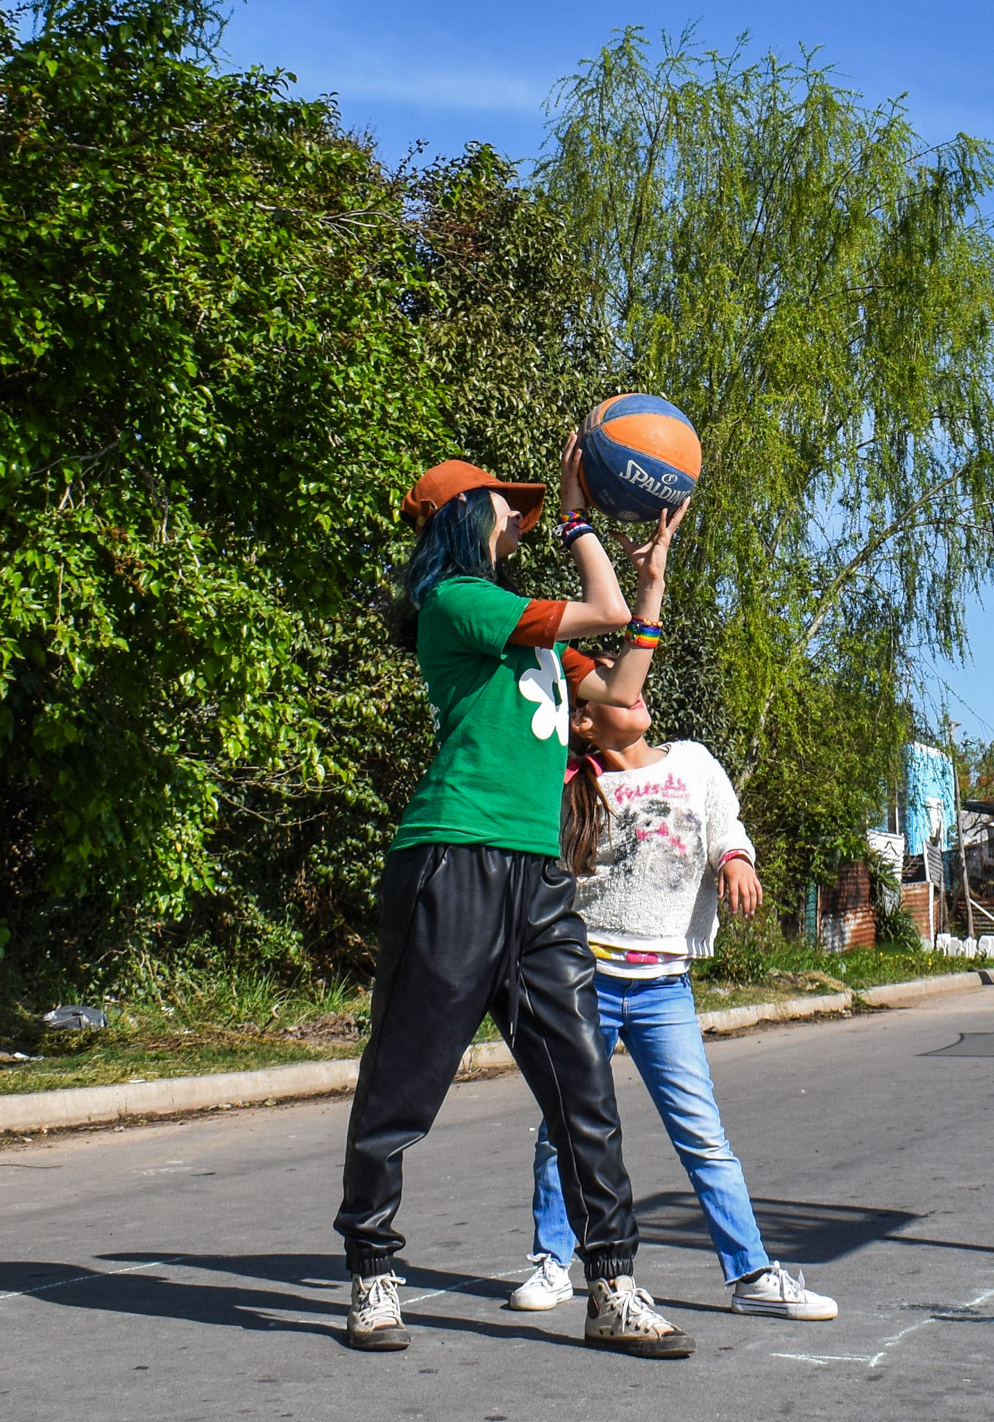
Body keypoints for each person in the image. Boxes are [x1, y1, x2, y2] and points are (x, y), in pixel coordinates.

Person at [333, 446, 690, 1359]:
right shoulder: (459, 605)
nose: (520, 519)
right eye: (509, 506)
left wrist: (650, 589)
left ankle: (611, 1285)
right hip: (451, 864)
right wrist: (579, 521)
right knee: (403, 1085)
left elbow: (619, 701)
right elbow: (595, 608)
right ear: (465, 515)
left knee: (582, 1087)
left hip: (537, 880)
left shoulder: (529, 637)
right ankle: (373, 1271)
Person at [503, 550, 840, 1325]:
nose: (636, 695)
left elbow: (727, 827)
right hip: (586, 982)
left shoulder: (692, 762)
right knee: (564, 1131)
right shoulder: (575, 783)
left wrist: (737, 859)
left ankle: (750, 1274)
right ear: (583, 718)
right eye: (613, 694)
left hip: (663, 987)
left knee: (703, 1137)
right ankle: (556, 1263)